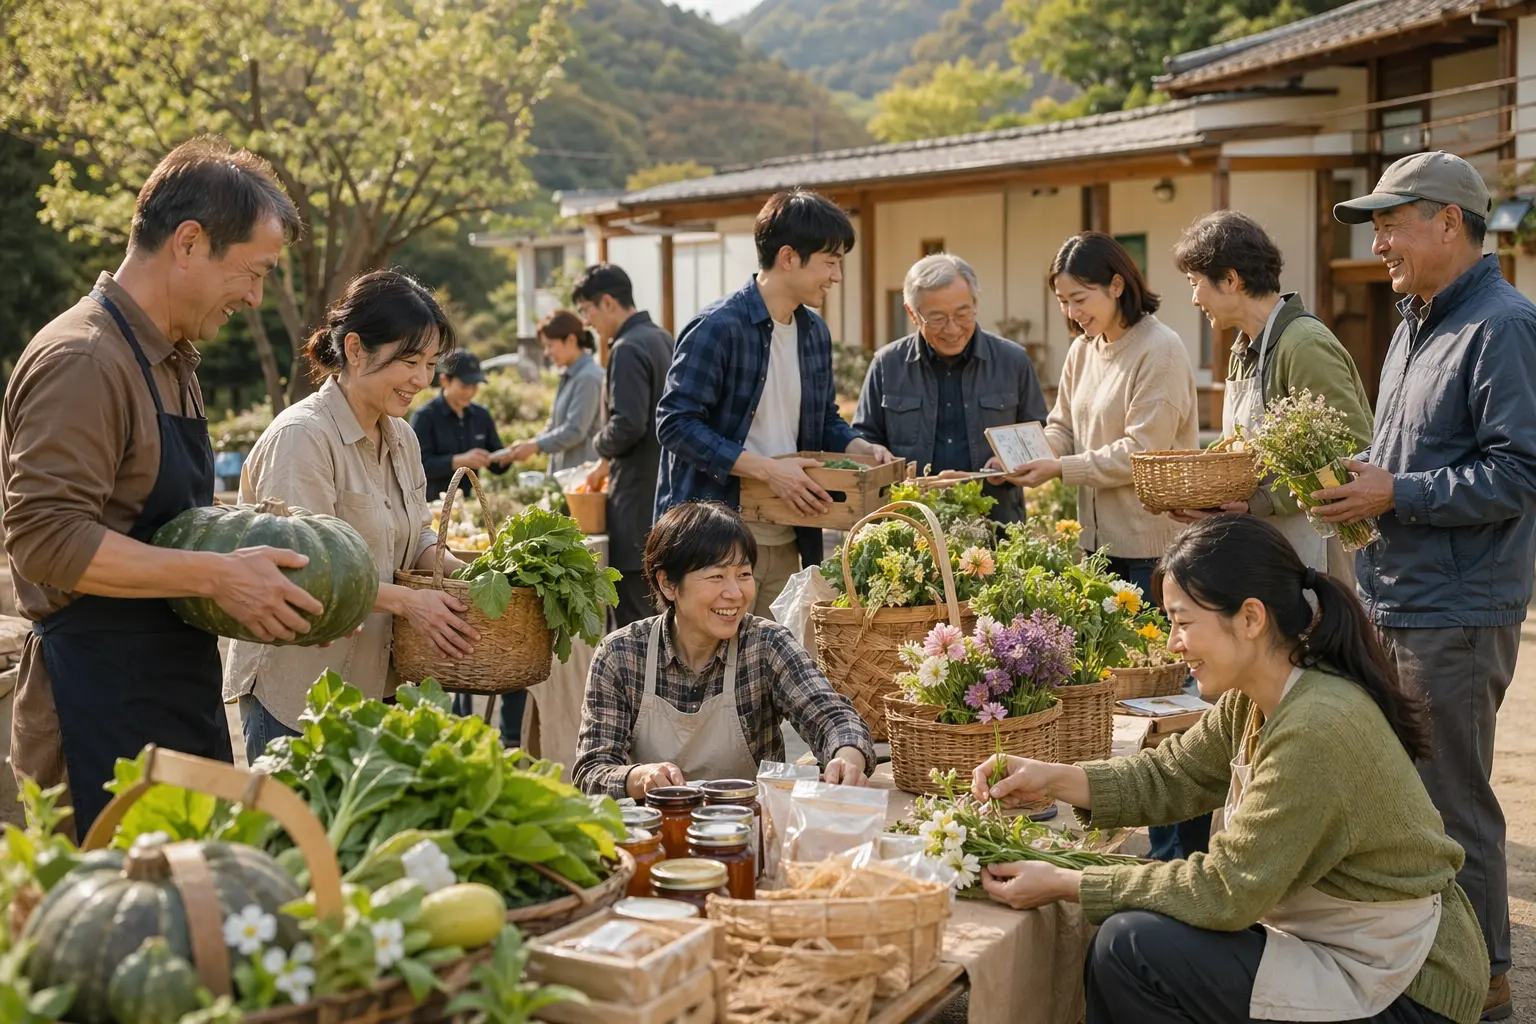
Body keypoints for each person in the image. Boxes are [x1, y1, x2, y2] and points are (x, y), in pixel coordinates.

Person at [974, 515, 1488, 1024]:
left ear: (1250, 618)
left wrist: (1069, 882)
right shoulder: (1257, 698)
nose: (1172, 643)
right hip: (1336, 944)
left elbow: (1226, 890)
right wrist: (1050, 778)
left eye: (1183, 622)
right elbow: (1173, 774)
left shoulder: (1316, 725)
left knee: (1132, 947)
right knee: (1137, 933)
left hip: (1401, 982)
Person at [0, 137, 321, 835]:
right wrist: (217, 577)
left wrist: (277, 582)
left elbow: (174, 530)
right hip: (95, 707)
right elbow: (45, 540)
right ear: (189, 243)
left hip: (171, 692)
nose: (255, 298)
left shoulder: (173, 361)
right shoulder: (84, 359)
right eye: (253, 273)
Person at [1316, 151, 1536, 1021]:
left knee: (1453, 804)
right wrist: (1363, 479)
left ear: (1450, 222)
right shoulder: (1415, 320)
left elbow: (1520, 474)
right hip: (1398, 594)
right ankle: (1431, 966)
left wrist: (1396, 491)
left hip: (1457, 608)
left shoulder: (1504, 325)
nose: (1377, 244)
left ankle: (1485, 986)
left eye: (1390, 224)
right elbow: (1412, 458)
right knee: (1409, 799)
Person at [225, 270, 477, 763]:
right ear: (356, 349)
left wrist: (475, 577)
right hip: (299, 692)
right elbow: (306, 571)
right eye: (409, 361)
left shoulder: (402, 438)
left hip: (378, 686)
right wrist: (410, 603)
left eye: (429, 364)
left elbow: (416, 537)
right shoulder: (302, 437)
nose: (421, 380)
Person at [1018, 232, 1202, 863]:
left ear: (1118, 285)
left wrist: (1060, 468)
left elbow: (1142, 452)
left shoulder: (1161, 348)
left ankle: (1179, 854)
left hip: (1154, 551)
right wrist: (1030, 452)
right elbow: (1063, 426)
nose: (1073, 313)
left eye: (1081, 298)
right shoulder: (1083, 350)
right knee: (1118, 709)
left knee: (1165, 712)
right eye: (1064, 302)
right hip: (1097, 551)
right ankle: (1146, 843)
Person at [655, 189, 894, 617]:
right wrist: (768, 470)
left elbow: (822, 419)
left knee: (769, 653)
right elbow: (675, 423)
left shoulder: (814, 332)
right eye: (830, 262)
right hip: (713, 535)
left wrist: (859, 448)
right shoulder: (718, 327)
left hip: (788, 530)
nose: (837, 276)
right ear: (788, 257)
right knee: (703, 654)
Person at [572, 501, 876, 797]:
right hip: (655, 826)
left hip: (751, 824)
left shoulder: (766, 644)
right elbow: (591, 771)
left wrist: (846, 758)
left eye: (743, 575)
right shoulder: (621, 654)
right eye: (716, 576)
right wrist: (639, 778)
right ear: (667, 584)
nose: (735, 593)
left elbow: (833, 717)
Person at [1168, 210, 1374, 585]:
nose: (1194, 299)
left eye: (1195, 283)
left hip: (1321, 549)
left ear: (1230, 280)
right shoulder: (1243, 349)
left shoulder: (1303, 344)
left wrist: (1261, 502)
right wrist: (1202, 494)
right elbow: (1238, 445)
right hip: (1273, 546)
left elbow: (1354, 453)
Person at [853, 253, 1048, 523]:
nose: (953, 329)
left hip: (997, 524)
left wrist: (1007, 462)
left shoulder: (1013, 361)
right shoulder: (887, 365)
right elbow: (864, 439)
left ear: (975, 303)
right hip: (910, 525)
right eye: (937, 318)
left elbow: (1039, 435)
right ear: (912, 313)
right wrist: (877, 456)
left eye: (962, 314)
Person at [572, 263, 675, 630]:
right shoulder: (662, 338)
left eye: (587, 311)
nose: (587, 322)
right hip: (663, 498)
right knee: (665, 621)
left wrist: (599, 444)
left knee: (637, 626)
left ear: (608, 302)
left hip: (635, 506)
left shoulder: (628, 347)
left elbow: (628, 424)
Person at [503, 310, 604, 474]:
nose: (547, 352)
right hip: (566, 475)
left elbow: (574, 431)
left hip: (582, 477)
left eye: (550, 345)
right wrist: (530, 444)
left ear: (571, 340)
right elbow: (555, 425)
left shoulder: (588, 378)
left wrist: (535, 446)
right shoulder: (570, 375)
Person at [411, 350, 514, 501]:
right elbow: (417, 467)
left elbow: (496, 465)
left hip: (469, 502)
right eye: (464, 386)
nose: (470, 392)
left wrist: (507, 457)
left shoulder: (482, 415)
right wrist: (458, 461)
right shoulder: (425, 417)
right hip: (432, 504)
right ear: (445, 380)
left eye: (475, 386)